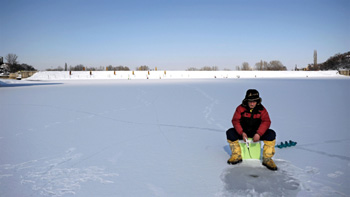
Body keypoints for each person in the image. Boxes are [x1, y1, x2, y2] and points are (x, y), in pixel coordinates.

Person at [226, 89, 277, 171]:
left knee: (271, 134)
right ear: (246, 100)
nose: (252, 103)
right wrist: (241, 132)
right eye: (250, 101)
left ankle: (267, 159)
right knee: (230, 132)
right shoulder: (240, 108)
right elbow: (235, 121)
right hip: (244, 132)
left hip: (256, 133)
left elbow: (266, 121)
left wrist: (259, 133)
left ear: (257, 101)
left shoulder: (262, 109)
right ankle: (237, 155)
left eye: (254, 101)